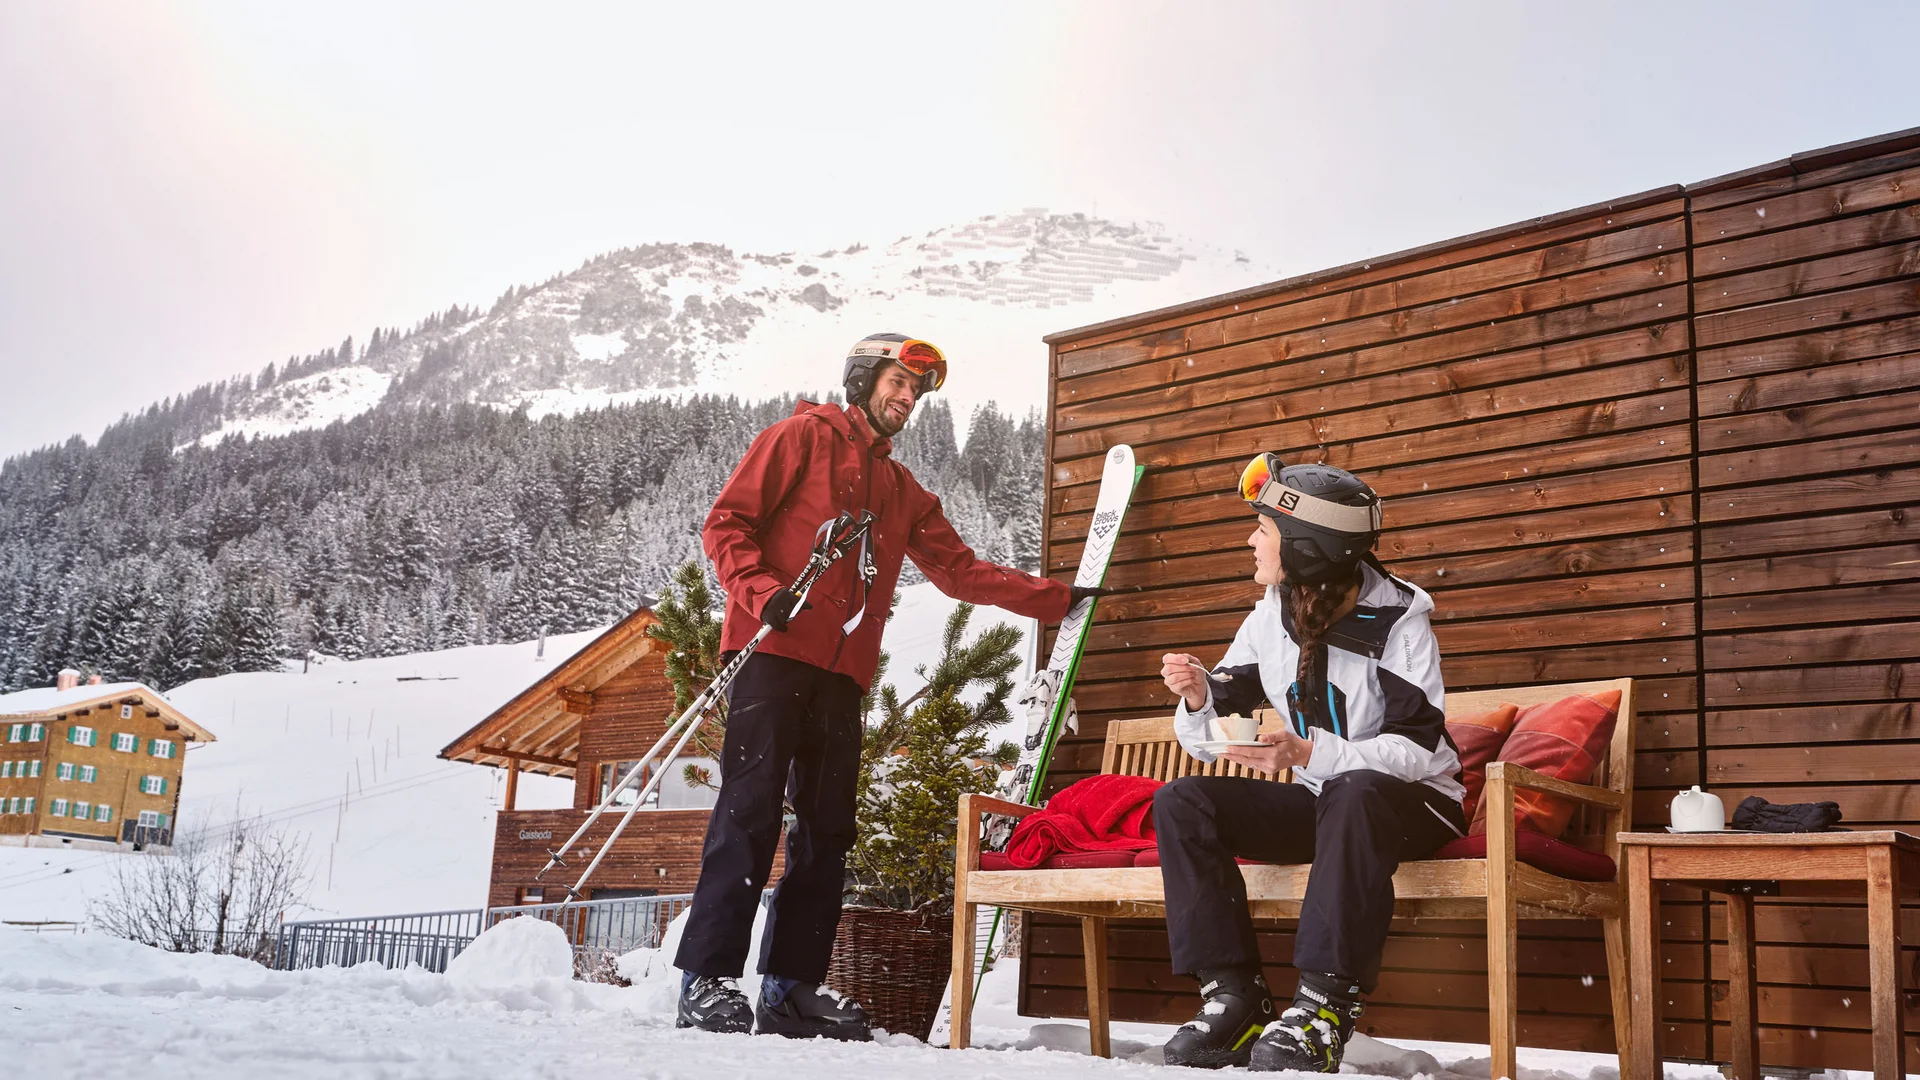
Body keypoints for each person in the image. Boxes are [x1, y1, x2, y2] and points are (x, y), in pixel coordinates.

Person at [674, 333, 1100, 1040]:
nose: (906, 398)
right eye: (897, 382)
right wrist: (761, 591)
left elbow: (962, 571)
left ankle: (789, 989)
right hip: (772, 652)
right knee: (750, 813)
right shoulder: (799, 439)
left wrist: (1059, 600)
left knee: (827, 830)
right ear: (864, 378)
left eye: (916, 391)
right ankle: (708, 980)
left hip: (842, 674)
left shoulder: (902, 492)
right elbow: (726, 522)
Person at [1151, 454, 1465, 1071]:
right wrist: (1199, 696)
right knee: (1184, 802)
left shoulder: (1400, 619)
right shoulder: (1273, 609)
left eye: (1263, 529)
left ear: (1306, 545)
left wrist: (1311, 751)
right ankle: (1234, 998)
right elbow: (1228, 704)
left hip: (1416, 804)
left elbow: (1418, 747)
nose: (1251, 539)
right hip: (1328, 801)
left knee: (1353, 791)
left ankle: (1324, 1005)